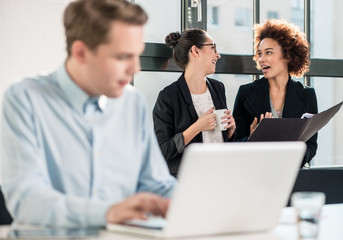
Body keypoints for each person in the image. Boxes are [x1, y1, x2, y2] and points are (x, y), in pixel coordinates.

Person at [0, 0, 176, 228]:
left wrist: (192, 204)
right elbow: (27, 200)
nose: (135, 69)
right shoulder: (25, 99)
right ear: (81, 53)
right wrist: (107, 212)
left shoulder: (133, 103)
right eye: (123, 57)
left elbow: (157, 184)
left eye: (137, 55)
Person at [233, 19, 318, 167]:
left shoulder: (307, 94)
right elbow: (234, 142)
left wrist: (294, 153)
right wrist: (252, 138)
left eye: (269, 53)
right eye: (260, 54)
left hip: (293, 173)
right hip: (255, 171)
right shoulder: (245, 92)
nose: (261, 59)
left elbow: (311, 145)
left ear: (287, 55)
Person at [153, 29, 236, 177]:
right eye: (213, 48)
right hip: (189, 179)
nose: (218, 55)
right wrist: (197, 128)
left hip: (221, 173)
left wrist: (230, 131)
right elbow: (163, 151)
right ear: (195, 51)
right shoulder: (168, 96)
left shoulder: (218, 88)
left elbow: (221, 139)